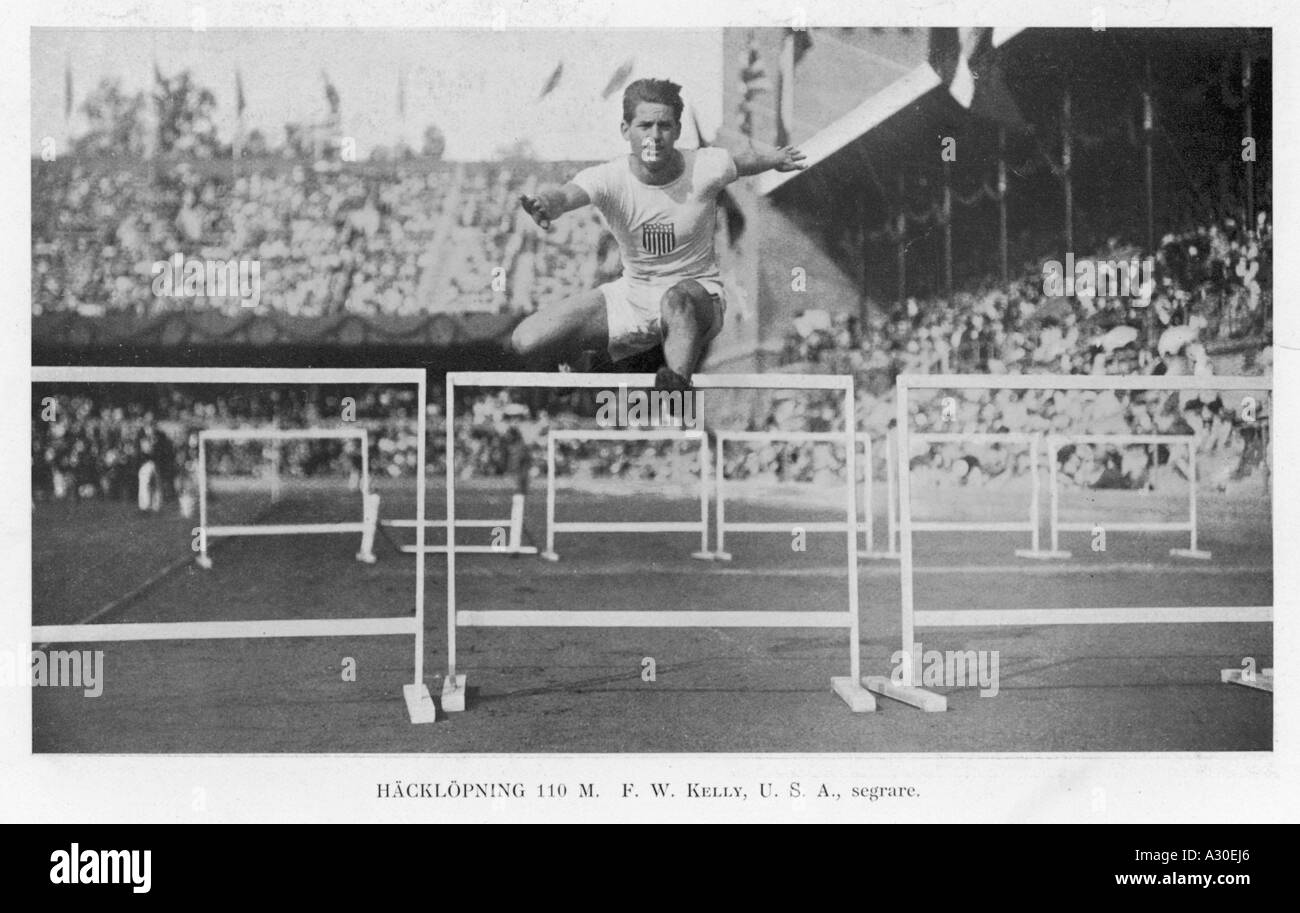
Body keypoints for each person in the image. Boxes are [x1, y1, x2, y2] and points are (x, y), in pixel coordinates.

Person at [511, 78, 806, 390]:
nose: (655, 136)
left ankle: (675, 382)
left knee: (676, 299)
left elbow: (743, 161)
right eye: (645, 126)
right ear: (626, 130)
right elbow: (565, 195)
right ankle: (585, 359)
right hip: (632, 297)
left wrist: (777, 158)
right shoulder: (608, 178)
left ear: (677, 130)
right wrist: (545, 204)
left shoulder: (705, 166)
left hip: (695, 299)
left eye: (664, 126)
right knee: (526, 339)